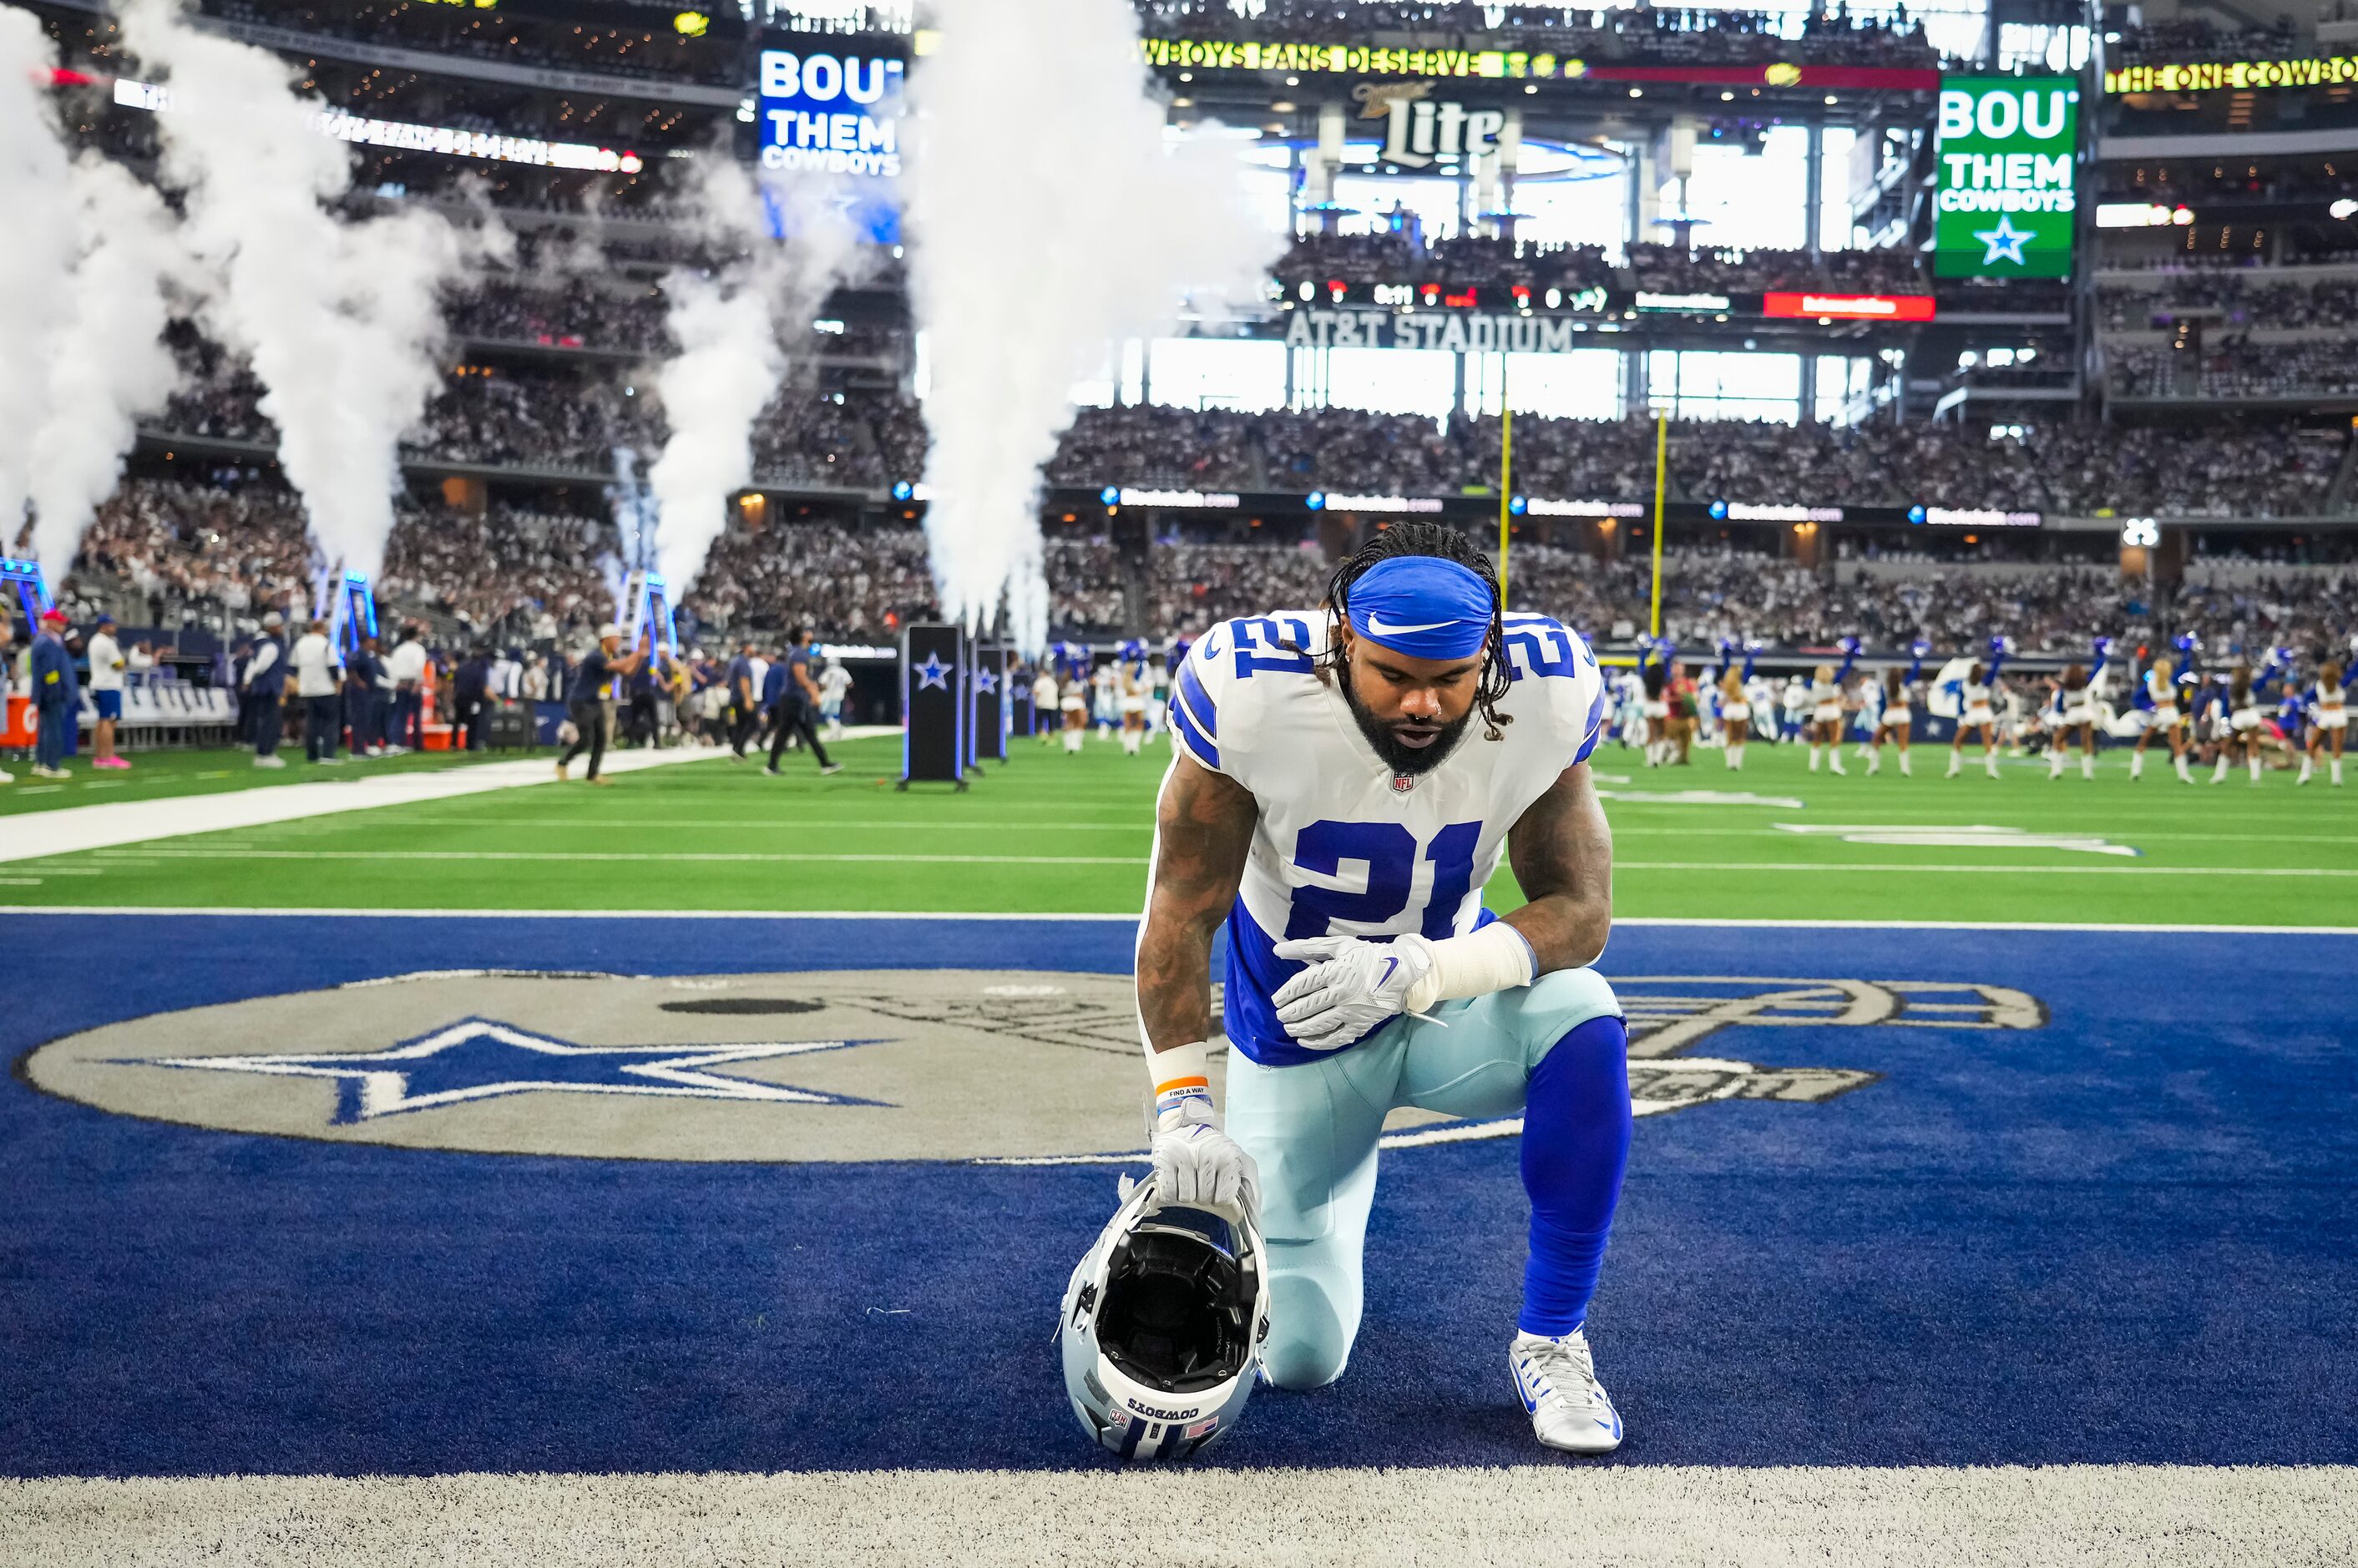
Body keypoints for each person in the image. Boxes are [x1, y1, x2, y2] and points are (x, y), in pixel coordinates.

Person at [1134, 522, 1628, 1455]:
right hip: (1296, 1025)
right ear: (1341, 642)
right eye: (1394, 675)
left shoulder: (1550, 688)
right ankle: (1326, 1179)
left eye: (1449, 679)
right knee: (1301, 1362)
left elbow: (1580, 913)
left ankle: (1552, 1340)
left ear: (1488, 657)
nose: (1422, 704)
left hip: (1444, 999)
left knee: (1584, 1017)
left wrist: (1421, 970)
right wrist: (1182, 1106)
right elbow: (1179, 913)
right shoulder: (1250, 695)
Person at [556, 625, 643, 785]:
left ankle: (592, 774)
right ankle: (562, 763)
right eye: (616, 638)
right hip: (582, 701)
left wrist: (640, 658)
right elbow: (620, 666)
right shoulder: (596, 656)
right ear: (606, 639)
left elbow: (628, 672)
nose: (618, 642)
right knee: (586, 739)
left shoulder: (608, 655)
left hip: (594, 701)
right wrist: (637, 653)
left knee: (601, 739)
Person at [764, 628, 843, 776]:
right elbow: (800, 676)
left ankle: (773, 765)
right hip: (794, 698)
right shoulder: (800, 653)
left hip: (794, 697)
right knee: (796, 732)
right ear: (802, 637)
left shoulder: (796, 652)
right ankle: (824, 763)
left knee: (796, 732)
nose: (811, 635)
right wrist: (813, 693)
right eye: (808, 633)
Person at [28, 608, 79, 780]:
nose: (63, 626)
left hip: (46, 693)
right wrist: (55, 691)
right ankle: (51, 765)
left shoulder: (44, 640)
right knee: (54, 729)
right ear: (50, 622)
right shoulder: (48, 642)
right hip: (52, 695)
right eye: (60, 622)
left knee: (45, 729)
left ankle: (42, 762)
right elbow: (50, 671)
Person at [289, 617, 343, 766]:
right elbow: (333, 666)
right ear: (322, 629)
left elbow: (293, 666)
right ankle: (327, 754)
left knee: (312, 724)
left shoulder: (300, 643)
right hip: (325, 688)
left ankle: (312, 755)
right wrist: (337, 684)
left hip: (307, 689)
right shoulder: (326, 644)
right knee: (330, 722)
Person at [85, 614, 129, 771]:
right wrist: (123, 661)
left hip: (99, 684)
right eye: (112, 625)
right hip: (108, 685)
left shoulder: (95, 640)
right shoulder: (106, 643)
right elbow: (118, 664)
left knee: (103, 720)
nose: (114, 627)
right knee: (108, 721)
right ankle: (108, 756)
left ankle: (100, 756)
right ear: (104, 626)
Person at [2047, 664, 2097, 781]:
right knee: (2086, 742)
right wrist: (2101, 656)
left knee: (2058, 739)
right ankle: (2087, 773)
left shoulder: (2066, 685)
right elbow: (2095, 671)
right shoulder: (2085, 682)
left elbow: (2060, 703)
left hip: (2073, 713)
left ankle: (2056, 770)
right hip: (2085, 712)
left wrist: (2060, 712)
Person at [383, 625, 427, 753]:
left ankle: (397, 741)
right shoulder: (418, 649)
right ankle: (417, 743)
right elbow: (419, 666)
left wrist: (396, 682)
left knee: (400, 714)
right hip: (413, 682)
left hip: (400, 683)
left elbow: (392, 667)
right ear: (416, 636)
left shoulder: (398, 650)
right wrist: (418, 683)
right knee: (416, 716)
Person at [2302, 660, 2346, 786]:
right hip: (2338, 714)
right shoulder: (2341, 683)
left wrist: (2313, 708)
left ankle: (2305, 774)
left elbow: (2306, 699)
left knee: (2313, 744)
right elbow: (2354, 672)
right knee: (2336, 747)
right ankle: (2336, 779)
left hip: (2326, 715)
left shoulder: (2319, 685)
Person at [1870, 665, 1913, 776]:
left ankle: (1874, 767)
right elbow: (1915, 672)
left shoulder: (1885, 687)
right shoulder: (1905, 684)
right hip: (1903, 713)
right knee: (1903, 743)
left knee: (1876, 739)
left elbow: (1882, 704)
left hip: (1890, 713)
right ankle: (1905, 769)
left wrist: (1880, 718)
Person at [1807, 664, 1845, 775]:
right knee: (1835, 739)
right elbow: (1844, 671)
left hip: (1820, 710)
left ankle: (1813, 766)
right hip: (1832, 710)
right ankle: (1835, 766)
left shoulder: (1814, 683)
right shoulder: (1833, 682)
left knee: (1817, 738)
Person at [724, 640, 759, 761]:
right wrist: (748, 699)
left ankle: (736, 750)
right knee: (753, 723)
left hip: (735, 696)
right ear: (746, 648)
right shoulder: (743, 662)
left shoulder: (735, 660)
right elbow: (744, 680)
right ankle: (739, 748)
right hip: (741, 697)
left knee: (741, 725)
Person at [453, 646, 492, 752]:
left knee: (458, 721)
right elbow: (481, 686)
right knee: (473, 722)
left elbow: (455, 681)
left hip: (459, 697)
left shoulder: (461, 667)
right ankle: (470, 744)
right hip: (473, 699)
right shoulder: (480, 670)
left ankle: (454, 744)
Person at [1717, 666, 1749, 771]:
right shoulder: (1741, 684)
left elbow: (1722, 701)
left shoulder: (1727, 685)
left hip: (1729, 710)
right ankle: (1737, 763)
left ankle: (1730, 763)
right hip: (1741, 710)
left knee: (1730, 738)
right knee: (1740, 739)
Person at [818, 655, 853, 738]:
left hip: (828, 695)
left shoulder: (828, 672)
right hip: (840, 695)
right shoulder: (843, 671)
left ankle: (835, 730)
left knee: (828, 714)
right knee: (834, 714)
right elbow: (850, 684)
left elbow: (823, 684)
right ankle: (838, 729)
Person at [1031, 663, 1060, 746]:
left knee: (1039, 721)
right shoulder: (1053, 681)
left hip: (1042, 704)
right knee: (1052, 722)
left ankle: (1043, 736)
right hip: (1052, 704)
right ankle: (1052, 738)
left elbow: (1036, 692)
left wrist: (1035, 699)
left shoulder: (1040, 681)